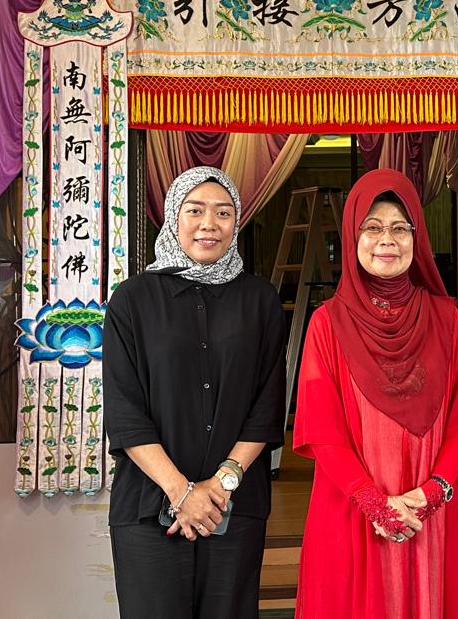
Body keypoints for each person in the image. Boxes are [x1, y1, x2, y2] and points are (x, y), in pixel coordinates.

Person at [293, 169, 458, 619]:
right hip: (352, 505)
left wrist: (433, 491)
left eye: (400, 228)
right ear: (352, 236)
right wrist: (374, 503)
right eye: (373, 227)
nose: (387, 240)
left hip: (430, 507)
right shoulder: (327, 323)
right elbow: (322, 430)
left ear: (417, 237)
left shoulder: (446, 319)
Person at [103, 166, 286, 619]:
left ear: (236, 222)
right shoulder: (132, 300)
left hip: (234, 506)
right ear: (173, 216)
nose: (209, 224)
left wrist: (219, 487)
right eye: (195, 210)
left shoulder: (260, 300)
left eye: (223, 213)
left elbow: (267, 406)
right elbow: (125, 413)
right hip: (149, 506)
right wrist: (181, 492)